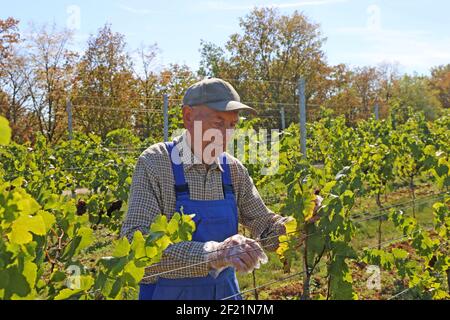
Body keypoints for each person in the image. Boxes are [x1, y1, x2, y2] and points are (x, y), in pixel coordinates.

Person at [120, 77, 317, 300]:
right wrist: (215, 253)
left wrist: (302, 220)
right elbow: (135, 243)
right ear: (188, 117)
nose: (225, 135)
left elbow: (266, 227)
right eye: (218, 123)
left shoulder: (233, 170)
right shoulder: (156, 163)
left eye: (232, 125)